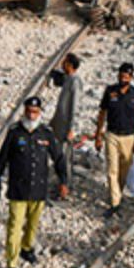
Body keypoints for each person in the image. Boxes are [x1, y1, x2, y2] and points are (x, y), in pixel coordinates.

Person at [0, 96, 68, 268]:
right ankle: (11, 263)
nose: (31, 115)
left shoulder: (46, 134)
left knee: (32, 224)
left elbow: (58, 158)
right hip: (18, 188)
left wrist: (63, 181)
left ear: (40, 113)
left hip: (38, 189)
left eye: (34, 112)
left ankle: (27, 248)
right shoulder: (14, 133)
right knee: (14, 226)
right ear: (24, 112)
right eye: (28, 111)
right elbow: (2, 158)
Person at [94, 63, 134, 213]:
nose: (123, 78)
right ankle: (115, 203)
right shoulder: (110, 92)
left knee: (124, 170)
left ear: (131, 77)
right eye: (121, 75)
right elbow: (102, 113)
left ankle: (118, 193)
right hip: (112, 136)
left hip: (129, 137)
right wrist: (98, 134)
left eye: (127, 76)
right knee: (111, 170)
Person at [49, 53, 82, 189]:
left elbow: (75, 107)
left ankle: (65, 185)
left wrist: (71, 129)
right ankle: (61, 182)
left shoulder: (75, 82)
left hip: (66, 128)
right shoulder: (68, 79)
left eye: (65, 62)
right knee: (59, 155)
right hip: (60, 126)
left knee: (65, 157)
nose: (62, 65)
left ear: (70, 65)